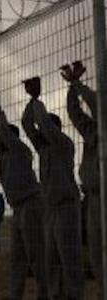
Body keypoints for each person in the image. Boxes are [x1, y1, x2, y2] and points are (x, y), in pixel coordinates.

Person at [22, 77, 84, 300]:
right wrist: (32, 100)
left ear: (55, 129)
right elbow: (28, 125)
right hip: (50, 210)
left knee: (70, 260)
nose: (41, 132)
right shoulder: (45, 150)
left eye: (47, 126)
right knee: (52, 261)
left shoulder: (63, 144)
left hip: (66, 208)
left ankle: (74, 296)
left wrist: (38, 102)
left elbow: (43, 126)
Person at [0, 92, 47, 300]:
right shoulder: (3, 154)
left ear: (10, 137)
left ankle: (44, 294)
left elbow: (2, 131)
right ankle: (15, 295)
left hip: (31, 205)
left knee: (36, 256)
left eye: (4, 137)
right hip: (19, 208)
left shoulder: (20, 150)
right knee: (18, 258)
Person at [61, 61, 102, 293]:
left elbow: (96, 103)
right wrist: (72, 88)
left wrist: (77, 83)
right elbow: (74, 112)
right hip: (93, 198)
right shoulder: (91, 130)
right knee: (96, 254)